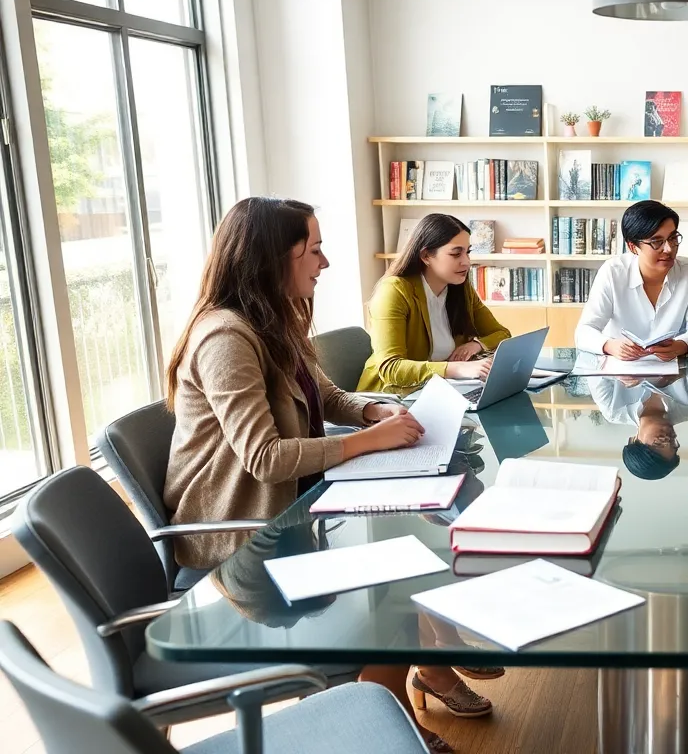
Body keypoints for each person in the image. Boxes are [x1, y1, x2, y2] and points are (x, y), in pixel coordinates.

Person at [162, 198, 465, 751]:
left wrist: (371, 411)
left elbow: (320, 392)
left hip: (291, 511)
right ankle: (371, 723)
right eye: (316, 249)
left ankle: (394, 704)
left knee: (405, 558)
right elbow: (265, 458)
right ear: (272, 257)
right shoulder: (226, 337)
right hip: (239, 534)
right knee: (389, 581)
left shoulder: (274, 315)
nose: (324, 263)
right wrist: (367, 441)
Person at [358, 213, 509, 393]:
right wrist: (457, 369)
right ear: (426, 256)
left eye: (467, 252)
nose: (467, 262)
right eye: (456, 253)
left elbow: (502, 334)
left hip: (440, 390)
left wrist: (475, 344)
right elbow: (391, 368)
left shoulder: (461, 288)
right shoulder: (394, 291)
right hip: (391, 399)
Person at [575, 200, 688, 361]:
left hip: (671, 372)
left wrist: (680, 346)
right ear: (633, 247)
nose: (668, 249)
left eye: (673, 238)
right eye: (656, 242)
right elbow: (584, 331)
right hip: (619, 370)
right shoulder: (613, 271)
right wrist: (610, 346)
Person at [591, 353, 688, 480]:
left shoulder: (613, 409)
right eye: (672, 443)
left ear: (634, 441)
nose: (668, 438)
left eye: (658, 443)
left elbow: (590, 361)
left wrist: (622, 370)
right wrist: (677, 369)